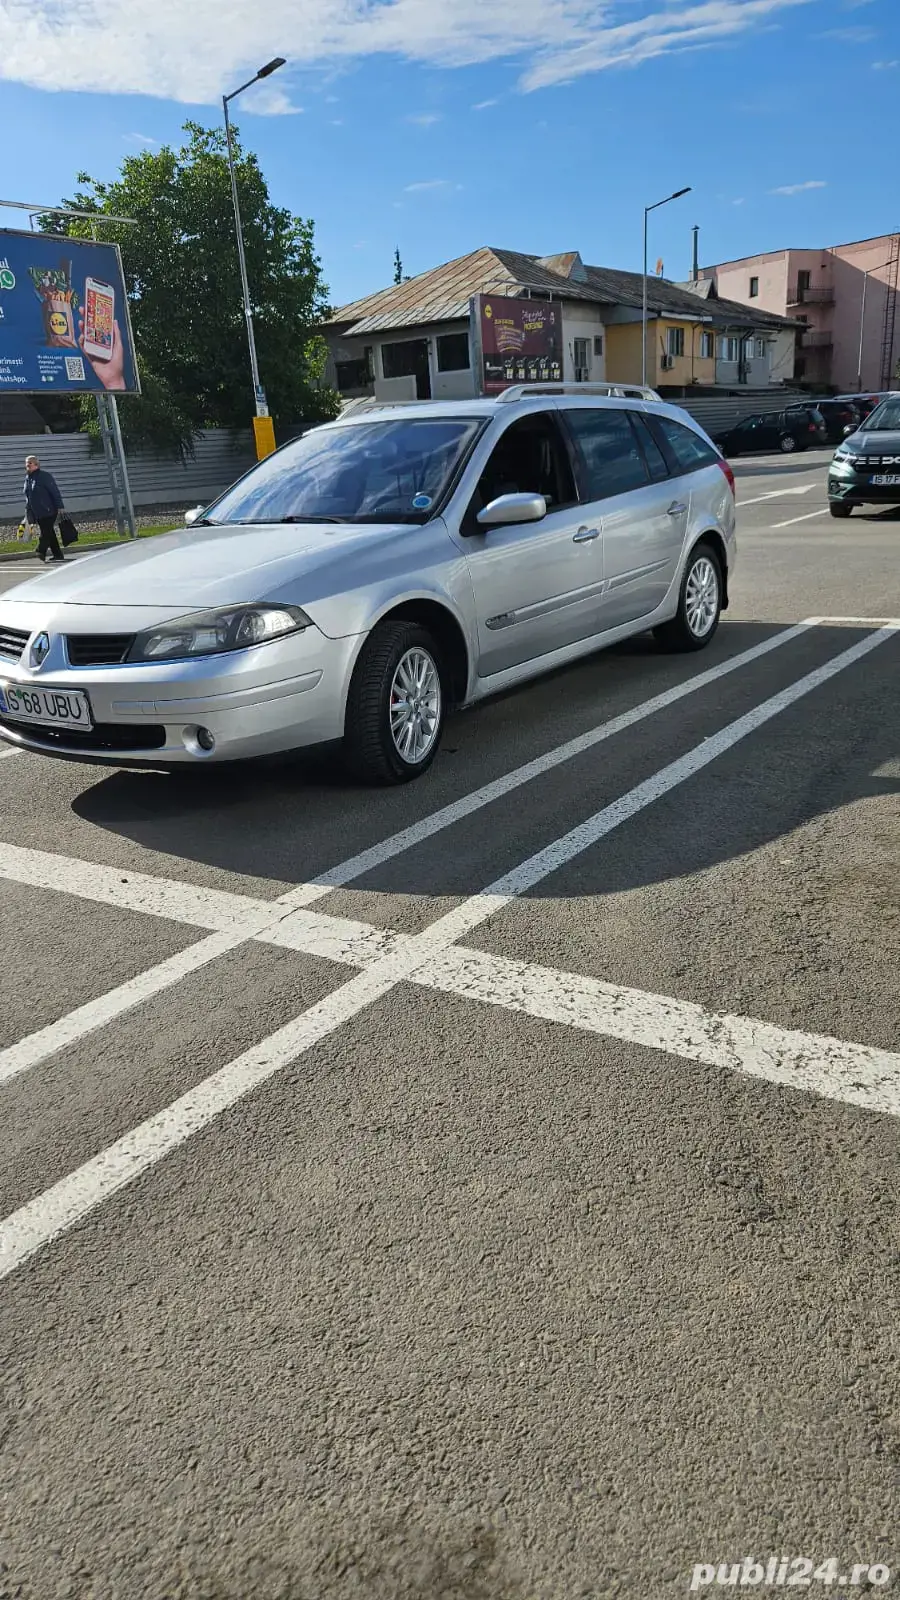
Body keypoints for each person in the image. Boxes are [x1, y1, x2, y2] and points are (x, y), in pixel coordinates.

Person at [23, 454, 65, 563]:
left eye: (30, 463)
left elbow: (55, 492)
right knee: (49, 532)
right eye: (26, 463)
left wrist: (60, 506)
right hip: (37, 512)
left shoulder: (44, 476)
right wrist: (28, 511)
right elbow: (28, 497)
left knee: (45, 532)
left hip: (49, 510)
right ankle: (58, 554)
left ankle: (40, 551)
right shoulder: (28, 478)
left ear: (36, 464)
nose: (27, 465)